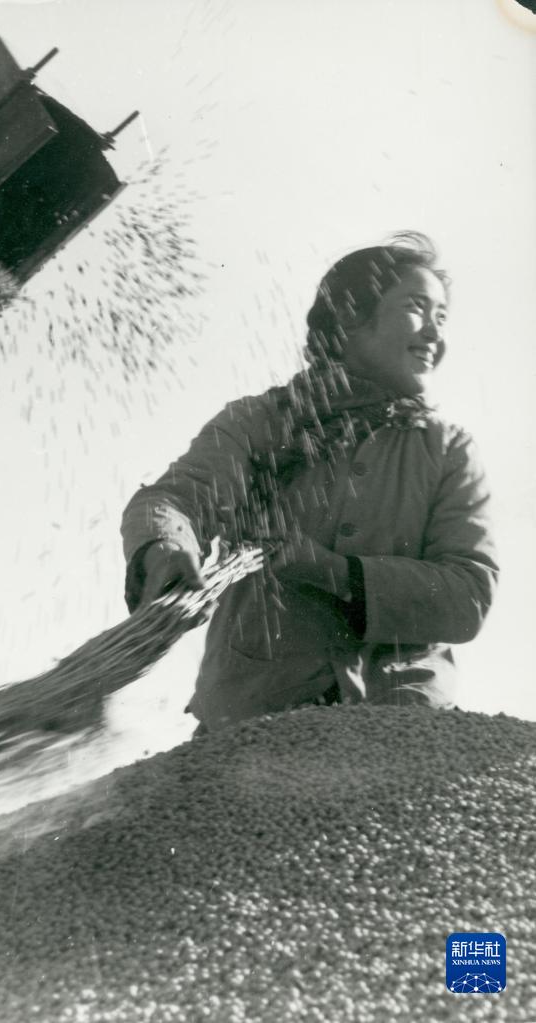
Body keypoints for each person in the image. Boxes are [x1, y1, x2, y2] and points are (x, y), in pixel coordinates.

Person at [121, 232, 499, 732]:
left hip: (402, 730)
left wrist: (335, 572)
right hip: (251, 727)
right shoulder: (261, 421)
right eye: (417, 308)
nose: (435, 334)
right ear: (349, 317)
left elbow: (469, 595)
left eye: (443, 317)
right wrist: (163, 546)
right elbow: (175, 498)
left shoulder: (447, 450)